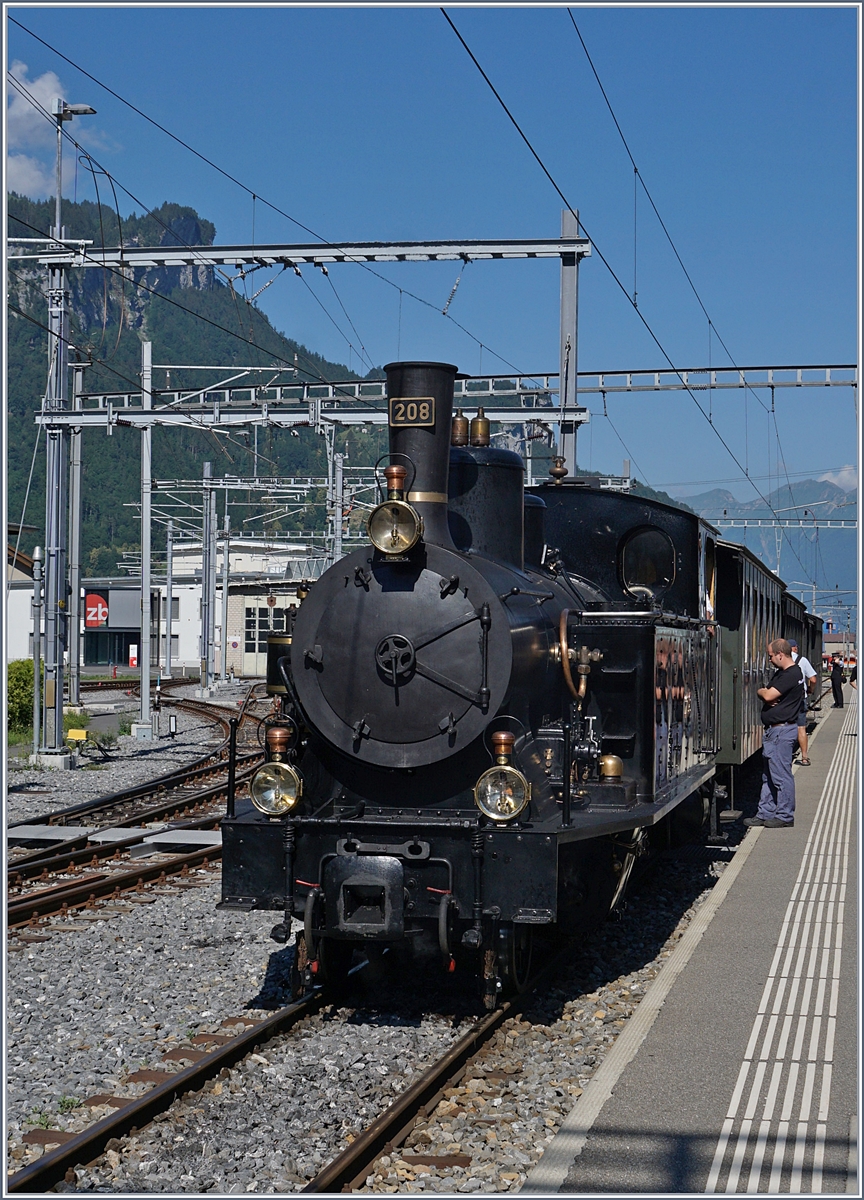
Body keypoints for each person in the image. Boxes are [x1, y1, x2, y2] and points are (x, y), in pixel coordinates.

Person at [744, 639, 802, 829]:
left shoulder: (790, 674)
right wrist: (765, 691)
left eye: (770, 656)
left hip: (781, 731)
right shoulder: (784, 674)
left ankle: (785, 815)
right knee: (769, 776)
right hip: (775, 731)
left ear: (780, 654)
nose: (769, 659)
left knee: (781, 775)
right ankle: (765, 812)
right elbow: (768, 692)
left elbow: (768, 694)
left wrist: (762, 692)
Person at [788, 639, 816, 765]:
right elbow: (813, 679)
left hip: (785, 700)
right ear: (795, 648)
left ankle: (786, 756)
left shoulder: (781, 659)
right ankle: (804, 757)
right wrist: (810, 689)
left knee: (785, 728)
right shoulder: (802, 660)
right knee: (801, 728)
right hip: (800, 699)